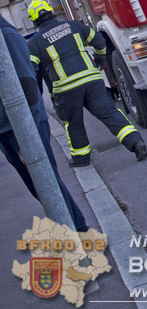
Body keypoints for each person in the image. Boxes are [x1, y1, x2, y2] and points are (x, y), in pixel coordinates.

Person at [26, 0, 147, 167]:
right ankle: (136, 144)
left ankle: (81, 159)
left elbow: (32, 70)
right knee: (110, 113)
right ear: (51, 12)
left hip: (66, 89)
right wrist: (99, 59)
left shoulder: (35, 43)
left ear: (34, 21)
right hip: (92, 80)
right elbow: (98, 41)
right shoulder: (73, 26)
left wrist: (35, 94)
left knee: (73, 123)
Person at [0, 14, 88, 232]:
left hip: (21, 127)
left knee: (45, 183)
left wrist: (26, 132)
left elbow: (28, 86)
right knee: (38, 186)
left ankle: (78, 231)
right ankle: (76, 229)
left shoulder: (5, 36)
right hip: (7, 128)